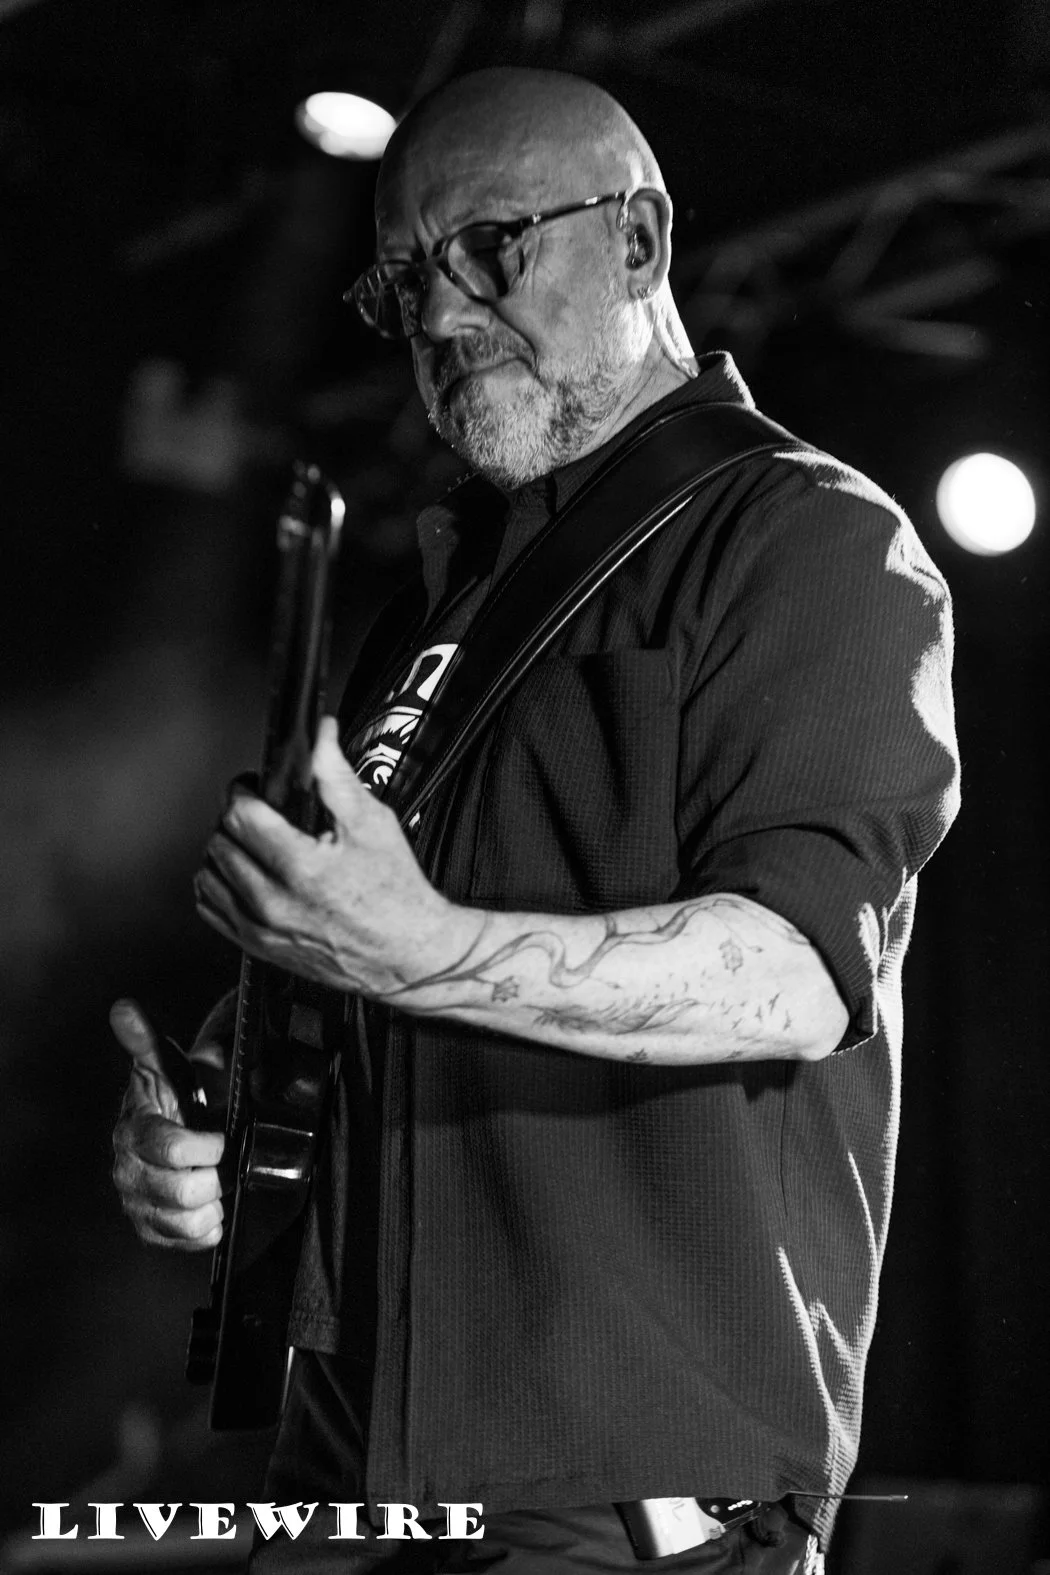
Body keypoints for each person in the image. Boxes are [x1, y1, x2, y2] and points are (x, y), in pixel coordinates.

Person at [111, 67, 960, 1575]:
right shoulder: (422, 612)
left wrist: (419, 947)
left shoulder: (809, 537)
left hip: (619, 1499)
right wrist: (220, 1107)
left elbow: (792, 973)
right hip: (345, 1470)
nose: (441, 316)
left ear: (638, 240)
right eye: (403, 282)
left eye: (492, 248)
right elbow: (359, 965)